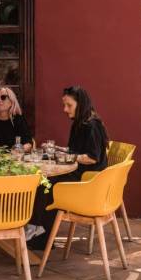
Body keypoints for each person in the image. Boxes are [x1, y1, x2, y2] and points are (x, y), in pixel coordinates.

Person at [28, 86, 109, 250]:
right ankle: (36, 229)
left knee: (48, 186)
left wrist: (66, 157)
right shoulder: (79, 123)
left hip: (89, 181)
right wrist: (58, 149)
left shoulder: (91, 125)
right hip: (80, 173)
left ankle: (44, 237)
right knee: (43, 183)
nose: (65, 109)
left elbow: (92, 158)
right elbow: (75, 151)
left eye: (69, 105)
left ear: (81, 104)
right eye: (64, 105)